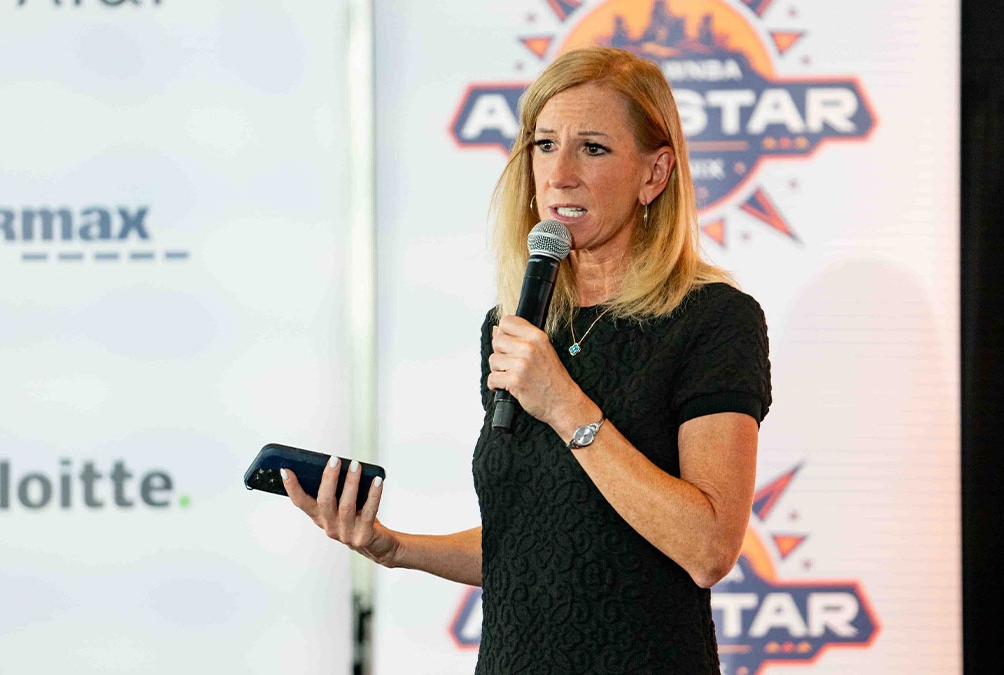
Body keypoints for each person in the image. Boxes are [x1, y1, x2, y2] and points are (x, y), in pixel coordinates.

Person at [281, 46, 772, 674]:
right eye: (544, 145)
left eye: (592, 148)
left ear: (654, 174)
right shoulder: (515, 326)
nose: (559, 174)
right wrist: (393, 546)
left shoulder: (712, 320)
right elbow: (534, 543)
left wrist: (566, 406)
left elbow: (707, 548)